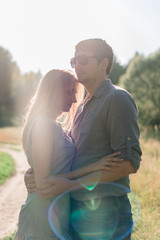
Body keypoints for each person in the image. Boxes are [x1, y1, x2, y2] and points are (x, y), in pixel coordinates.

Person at [24, 39, 142, 240]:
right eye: (74, 61)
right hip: (78, 209)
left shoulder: (117, 98)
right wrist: (33, 172)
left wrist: (68, 185)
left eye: (84, 60)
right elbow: (68, 154)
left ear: (103, 64)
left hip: (106, 211)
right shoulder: (81, 108)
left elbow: (129, 164)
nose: (77, 65)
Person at [14, 69, 124, 240]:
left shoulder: (53, 125)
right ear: (51, 91)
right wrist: (92, 168)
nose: (73, 99)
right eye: (68, 92)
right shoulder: (43, 125)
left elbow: (49, 174)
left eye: (74, 93)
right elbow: (43, 184)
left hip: (56, 212)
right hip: (41, 215)